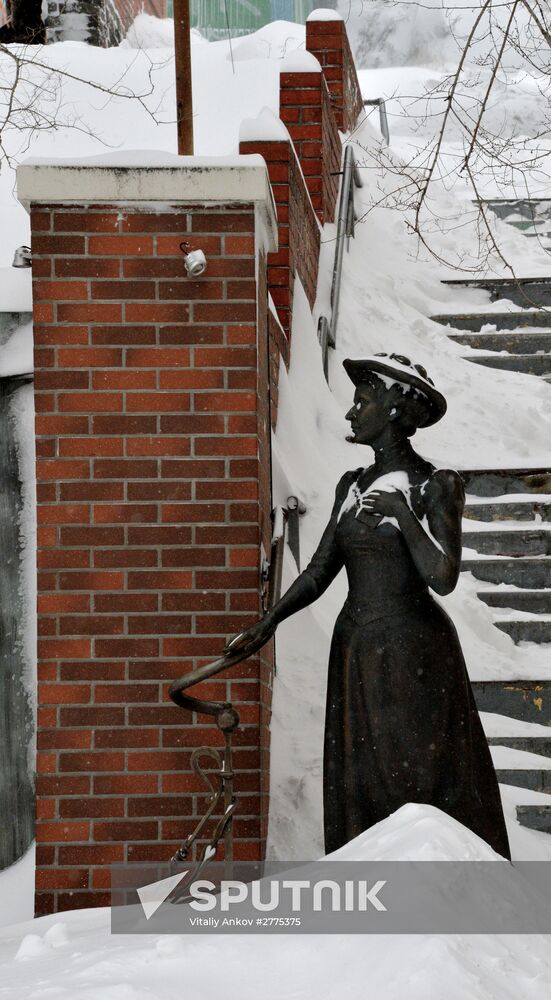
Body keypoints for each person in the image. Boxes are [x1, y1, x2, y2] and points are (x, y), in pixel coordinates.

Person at [225, 352, 511, 860]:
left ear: (395, 412)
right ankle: (373, 896)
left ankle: (438, 892)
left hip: (415, 655)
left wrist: (403, 513)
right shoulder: (350, 486)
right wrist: (269, 623)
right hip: (357, 649)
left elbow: (442, 578)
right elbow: (319, 570)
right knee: (362, 782)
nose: (352, 414)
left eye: (362, 402)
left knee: (419, 776)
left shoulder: (433, 485)